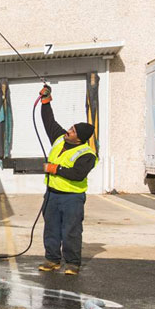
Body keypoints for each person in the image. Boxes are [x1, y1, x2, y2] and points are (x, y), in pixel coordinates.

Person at [36, 84, 98, 276]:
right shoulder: (59, 138)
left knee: (71, 230)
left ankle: (72, 263)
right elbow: (49, 121)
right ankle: (52, 259)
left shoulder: (87, 154)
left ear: (79, 139)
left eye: (72, 131)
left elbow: (78, 174)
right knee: (51, 228)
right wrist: (46, 100)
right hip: (52, 195)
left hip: (72, 198)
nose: (68, 131)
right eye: (70, 128)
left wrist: (55, 168)